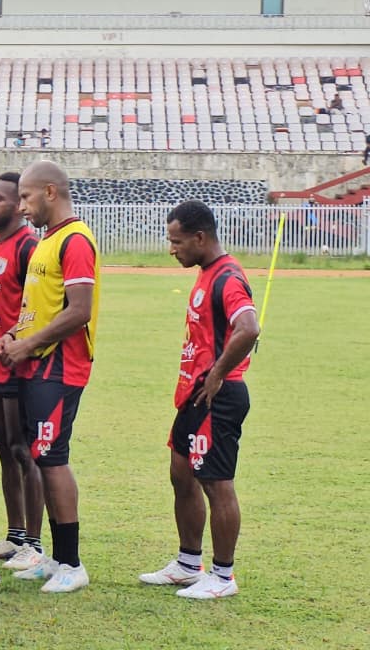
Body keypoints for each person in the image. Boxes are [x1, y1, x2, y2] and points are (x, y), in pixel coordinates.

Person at [139, 200, 258, 600]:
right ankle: (189, 563)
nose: (172, 249)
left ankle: (223, 576)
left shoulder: (227, 276)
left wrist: (219, 372)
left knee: (215, 483)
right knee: (180, 472)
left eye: (177, 241)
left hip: (217, 396)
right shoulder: (208, 273)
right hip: (194, 394)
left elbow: (249, 327)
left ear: (200, 237)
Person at [0, 160, 100, 593]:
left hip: (61, 366)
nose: (22, 206)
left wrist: (27, 344)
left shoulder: (75, 239)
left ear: (51, 192)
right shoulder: (47, 242)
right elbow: (39, 309)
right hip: (39, 363)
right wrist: (13, 336)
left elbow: (78, 310)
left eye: (26, 197)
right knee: (41, 455)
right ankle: (54, 558)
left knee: (52, 458)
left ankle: (72, 564)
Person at [0, 173, 45, 573]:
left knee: (24, 449)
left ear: (19, 204)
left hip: (17, 364)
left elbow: (37, 307)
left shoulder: (27, 248)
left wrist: (18, 343)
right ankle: (15, 533)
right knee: (3, 447)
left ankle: (34, 543)